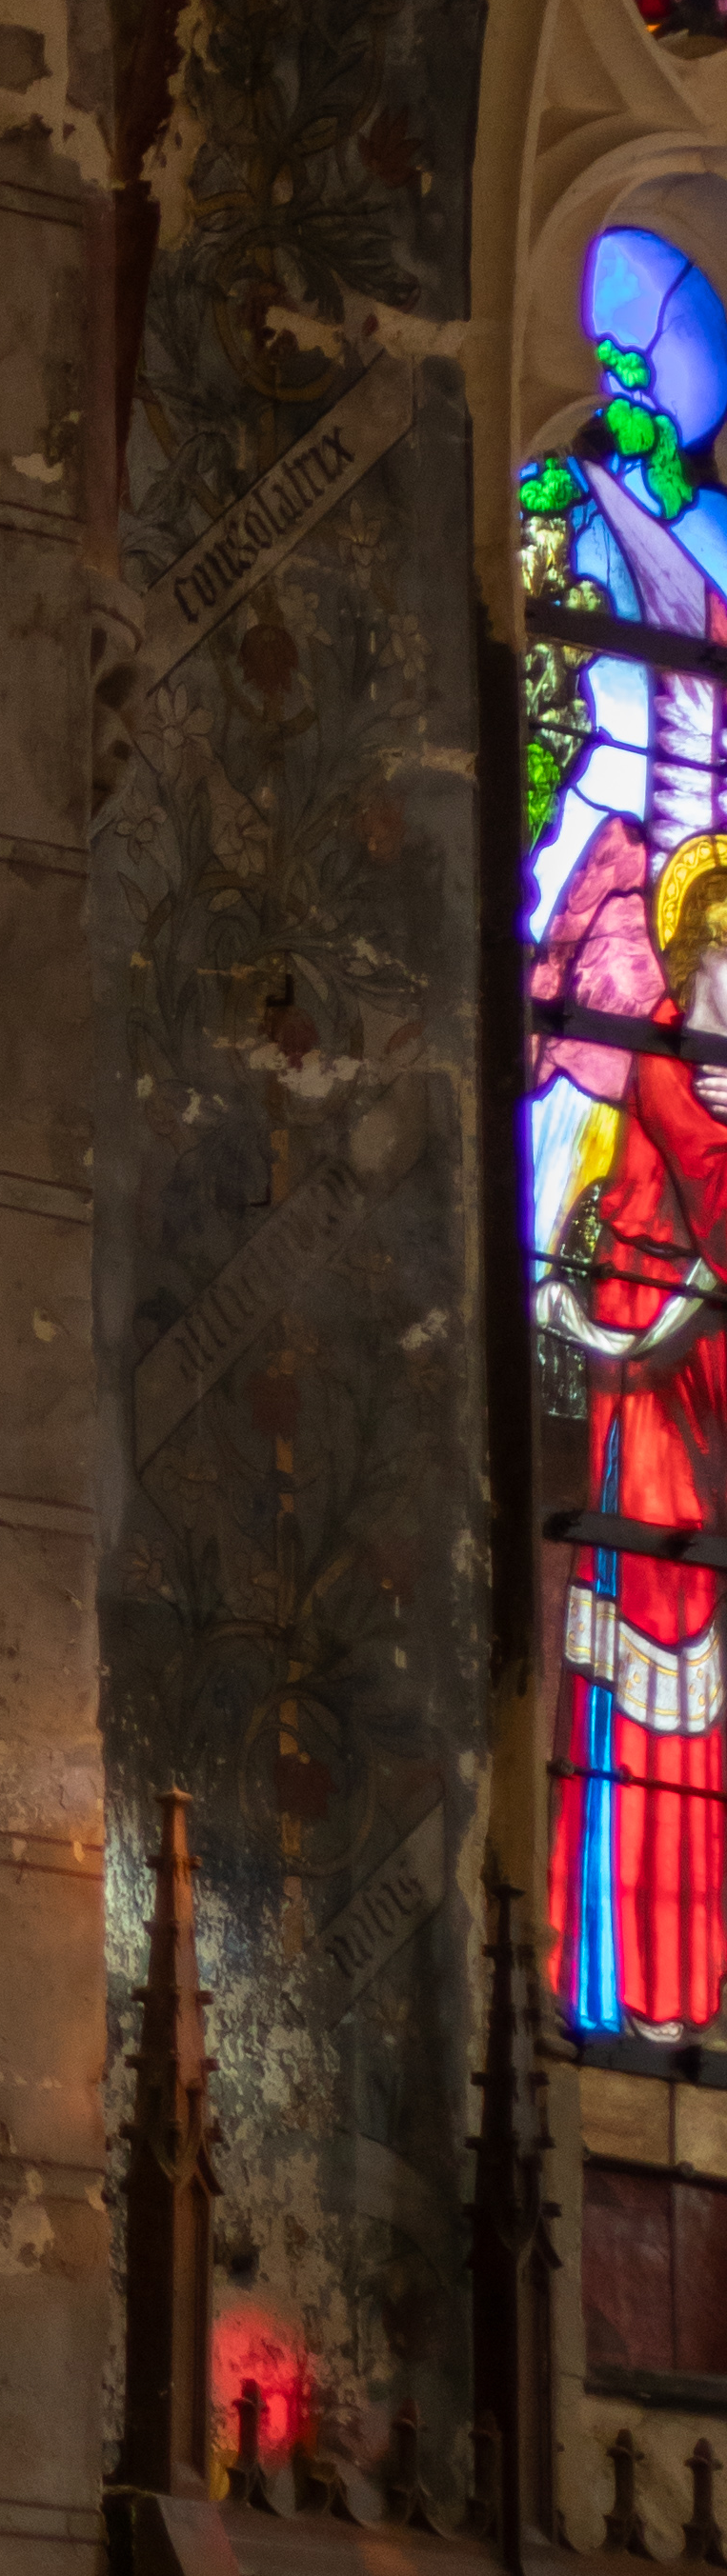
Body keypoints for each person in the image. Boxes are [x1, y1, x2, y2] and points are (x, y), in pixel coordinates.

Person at [555, 824, 727, 2032]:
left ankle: (674, 1984)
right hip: (650, 1406)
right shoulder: (668, 1067)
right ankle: (634, 1989)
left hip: (695, 1390)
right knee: (652, 1674)